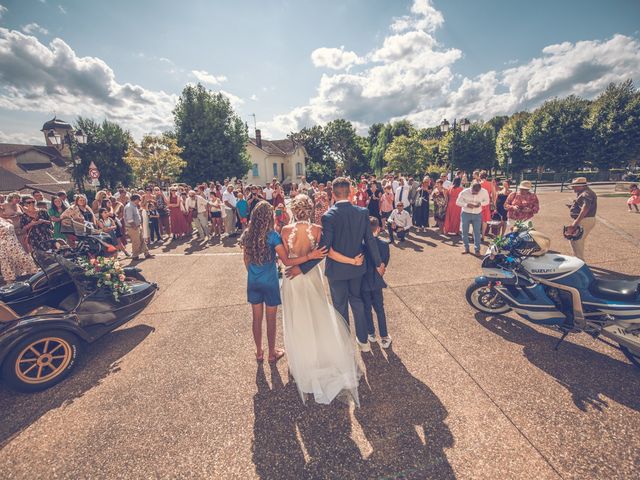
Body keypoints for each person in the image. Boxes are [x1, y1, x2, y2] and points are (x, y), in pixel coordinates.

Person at [280, 195, 364, 405]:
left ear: (293, 209)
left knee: (298, 315)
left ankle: (304, 358)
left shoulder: (285, 231)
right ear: (308, 210)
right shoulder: (317, 229)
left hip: (292, 276)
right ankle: (321, 354)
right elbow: (323, 254)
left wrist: (297, 265)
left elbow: (287, 259)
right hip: (312, 275)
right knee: (317, 311)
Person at [286, 177, 385, 352]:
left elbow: (324, 249)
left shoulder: (328, 216)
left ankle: (345, 343)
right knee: (357, 301)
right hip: (357, 269)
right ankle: (363, 342)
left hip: (337, 271)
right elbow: (370, 240)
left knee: (340, 306)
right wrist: (379, 263)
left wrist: (301, 268)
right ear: (351, 192)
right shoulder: (362, 212)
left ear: (332, 193)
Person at [240, 200, 326, 364]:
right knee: (271, 319)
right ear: (268, 217)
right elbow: (286, 261)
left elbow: (246, 260)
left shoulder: (247, 234)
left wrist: (253, 274)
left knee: (256, 318)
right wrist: (309, 256)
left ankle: (259, 352)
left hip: (253, 281)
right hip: (270, 281)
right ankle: (272, 353)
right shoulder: (273, 236)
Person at [362, 217, 391, 348]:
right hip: (376, 281)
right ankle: (384, 336)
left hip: (363, 281)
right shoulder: (384, 244)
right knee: (379, 309)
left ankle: (371, 334)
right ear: (378, 228)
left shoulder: (360, 244)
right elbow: (384, 264)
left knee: (366, 308)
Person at [567, 177, 597, 261]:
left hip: (585, 220)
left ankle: (579, 261)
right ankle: (578, 259)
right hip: (587, 219)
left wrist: (576, 222)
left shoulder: (586, 193)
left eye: (574, 186)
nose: (573, 188)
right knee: (575, 239)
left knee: (577, 240)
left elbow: (585, 208)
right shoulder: (586, 192)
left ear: (581, 186)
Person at [0, 216, 38, 283]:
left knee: (28, 263)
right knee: (8, 269)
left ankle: (36, 282)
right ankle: (11, 288)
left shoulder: (3, 219)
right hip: (4, 247)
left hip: (14, 244)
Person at [456, 182, 489, 255]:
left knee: (477, 232)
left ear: (480, 190)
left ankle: (477, 250)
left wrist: (481, 204)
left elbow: (487, 201)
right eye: (473, 192)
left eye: (477, 193)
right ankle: (466, 248)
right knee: (465, 231)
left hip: (477, 214)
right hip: (465, 213)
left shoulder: (484, 192)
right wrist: (466, 204)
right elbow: (457, 202)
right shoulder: (464, 192)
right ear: (471, 188)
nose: (475, 194)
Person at [124, 194, 152, 260]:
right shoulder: (129, 207)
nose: (139, 201)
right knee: (136, 242)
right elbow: (129, 219)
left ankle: (146, 253)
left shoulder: (133, 206)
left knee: (142, 240)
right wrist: (134, 226)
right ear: (136, 199)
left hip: (136, 226)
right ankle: (135, 255)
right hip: (133, 227)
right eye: (139, 200)